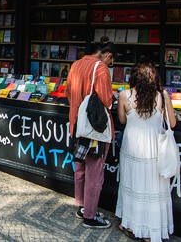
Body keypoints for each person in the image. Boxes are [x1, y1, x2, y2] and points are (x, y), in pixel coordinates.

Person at [116, 62, 176, 242]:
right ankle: (152, 231)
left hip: (132, 147)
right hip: (154, 149)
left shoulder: (124, 96)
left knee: (133, 185)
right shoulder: (162, 96)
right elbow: (172, 123)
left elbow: (122, 120)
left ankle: (131, 224)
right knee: (153, 188)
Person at [64, 41, 116, 229]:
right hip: (95, 131)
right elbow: (107, 100)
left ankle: (82, 206)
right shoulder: (101, 69)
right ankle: (90, 215)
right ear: (107, 55)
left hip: (76, 127)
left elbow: (68, 94)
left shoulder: (75, 65)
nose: (111, 64)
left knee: (80, 169)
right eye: (112, 60)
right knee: (95, 173)